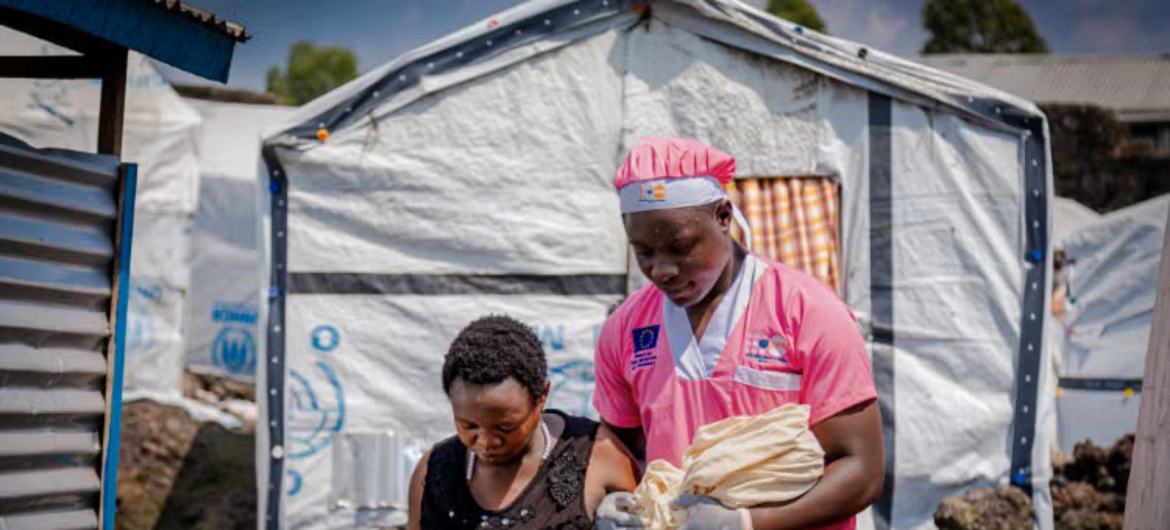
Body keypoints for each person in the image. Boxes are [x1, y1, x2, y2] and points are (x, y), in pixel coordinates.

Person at [592, 137, 884, 530]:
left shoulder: (809, 314)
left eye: (679, 247)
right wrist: (610, 496)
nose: (661, 269)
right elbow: (620, 448)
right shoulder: (626, 329)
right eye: (643, 252)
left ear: (724, 216)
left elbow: (862, 469)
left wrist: (749, 522)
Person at [408, 315, 638, 530]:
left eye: (505, 427)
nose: (487, 442)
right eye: (469, 427)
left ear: (542, 396)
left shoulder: (597, 456)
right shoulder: (435, 472)